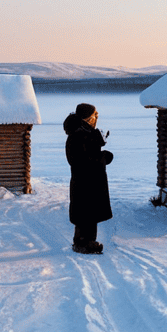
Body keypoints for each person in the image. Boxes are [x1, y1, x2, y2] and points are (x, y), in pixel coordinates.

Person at [64, 103, 113, 254]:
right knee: (86, 213)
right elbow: (80, 160)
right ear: (87, 118)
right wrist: (103, 157)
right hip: (85, 181)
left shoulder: (83, 133)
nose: (96, 118)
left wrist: (99, 142)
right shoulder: (77, 136)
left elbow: (88, 154)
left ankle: (87, 241)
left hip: (89, 181)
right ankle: (83, 243)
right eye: (94, 115)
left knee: (89, 213)